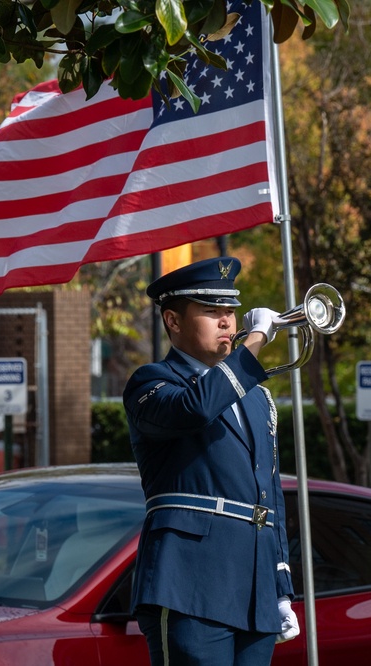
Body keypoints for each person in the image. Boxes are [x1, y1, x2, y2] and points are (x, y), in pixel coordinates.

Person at [123, 256, 299, 666]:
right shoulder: (151, 382)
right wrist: (255, 341)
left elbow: (269, 495)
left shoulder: (257, 397)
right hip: (188, 581)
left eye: (230, 311)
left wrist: (280, 585)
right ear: (173, 321)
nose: (227, 322)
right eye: (211, 312)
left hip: (253, 583)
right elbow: (197, 408)